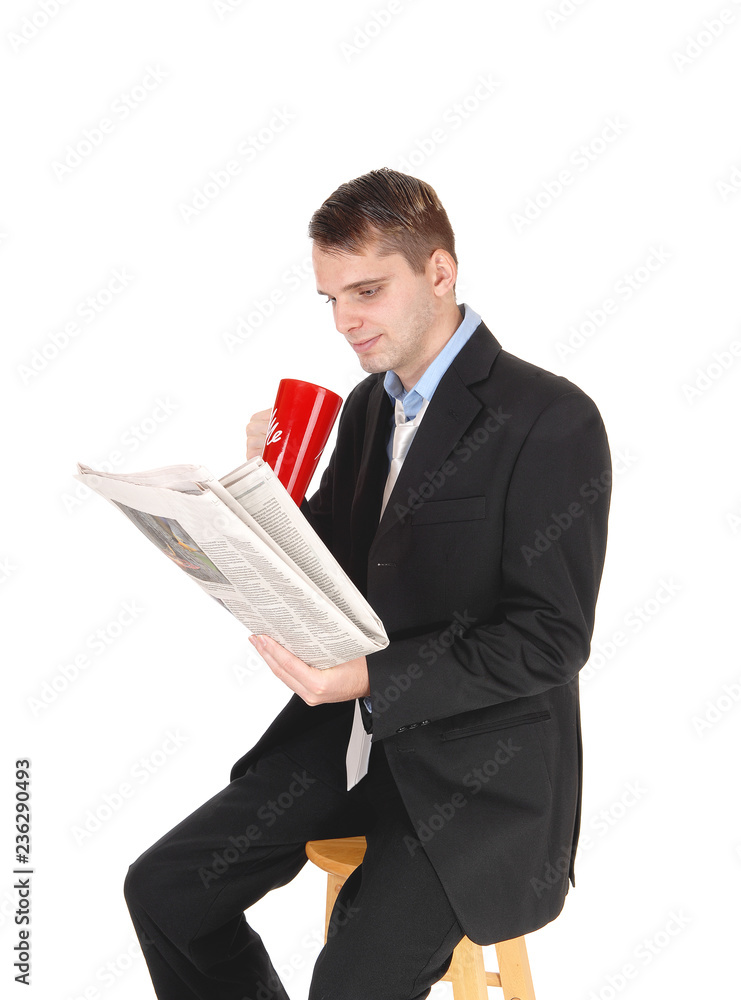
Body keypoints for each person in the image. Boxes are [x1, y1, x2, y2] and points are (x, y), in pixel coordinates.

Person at [124, 167, 611, 1000]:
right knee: (167, 891)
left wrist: (370, 678)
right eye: (330, 298)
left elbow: (550, 639)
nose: (344, 321)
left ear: (439, 272)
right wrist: (252, 505)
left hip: (477, 773)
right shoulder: (366, 408)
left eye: (367, 291)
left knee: (348, 985)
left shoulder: (548, 417)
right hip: (351, 745)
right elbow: (336, 569)